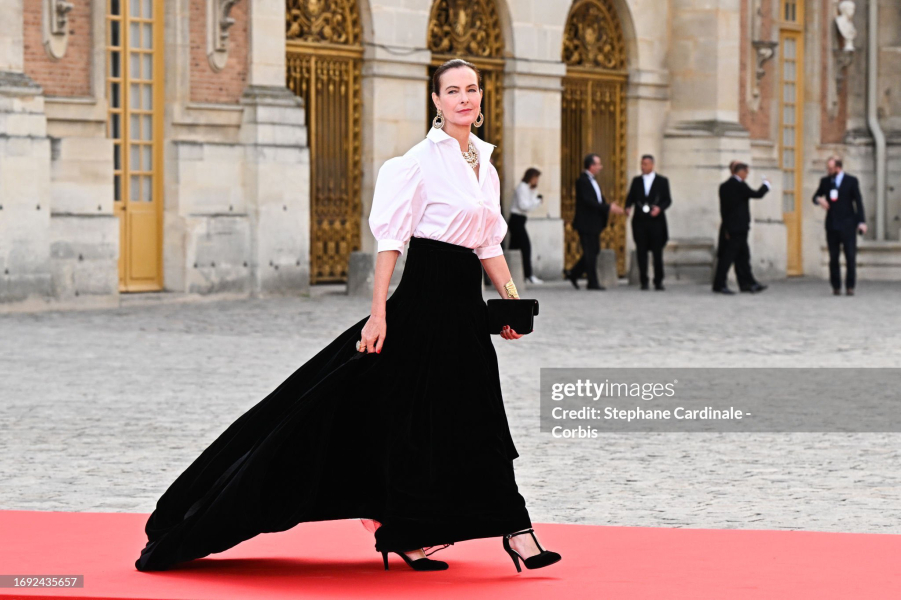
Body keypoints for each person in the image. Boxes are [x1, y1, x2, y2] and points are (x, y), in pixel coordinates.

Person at [133, 58, 561, 575]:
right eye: (453, 91)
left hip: (466, 316)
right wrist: (377, 314)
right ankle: (483, 533)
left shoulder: (486, 167)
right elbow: (391, 244)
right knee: (391, 423)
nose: (464, 98)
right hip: (421, 308)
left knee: (482, 420)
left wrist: (511, 302)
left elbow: (489, 244)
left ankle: (497, 531)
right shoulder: (417, 163)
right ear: (436, 101)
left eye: (471, 89)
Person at [567, 154, 625, 290]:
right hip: (586, 223)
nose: (601, 167)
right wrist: (608, 207)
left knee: (594, 251)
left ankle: (573, 273)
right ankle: (592, 282)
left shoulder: (592, 181)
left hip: (594, 223)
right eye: (598, 164)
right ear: (591, 166)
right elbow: (588, 201)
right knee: (590, 252)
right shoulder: (582, 181)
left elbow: (598, 200)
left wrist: (608, 205)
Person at [712, 162, 771, 294]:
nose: (747, 175)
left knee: (743, 257)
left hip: (730, 227)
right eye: (746, 172)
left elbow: (724, 210)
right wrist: (766, 185)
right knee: (728, 258)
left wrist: (726, 227)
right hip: (738, 228)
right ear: (741, 172)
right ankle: (720, 284)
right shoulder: (739, 185)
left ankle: (748, 283)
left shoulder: (724, 186)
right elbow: (757, 194)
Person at [812, 156, 866, 295]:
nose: (828, 171)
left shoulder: (851, 181)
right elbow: (815, 196)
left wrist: (861, 222)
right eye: (827, 168)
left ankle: (850, 286)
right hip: (832, 225)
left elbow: (858, 202)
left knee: (850, 257)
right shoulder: (825, 181)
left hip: (848, 224)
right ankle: (836, 286)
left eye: (830, 168)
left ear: (838, 168)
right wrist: (819, 200)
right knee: (833, 257)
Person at [625, 154, 672, 291]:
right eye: (641, 164)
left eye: (645, 164)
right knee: (641, 252)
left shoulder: (662, 181)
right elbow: (630, 197)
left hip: (656, 221)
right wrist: (628, 207)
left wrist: (659, 208)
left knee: (657, 253)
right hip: (640, 221)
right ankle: (643, 280)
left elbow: (667, 199)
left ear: (652, 165)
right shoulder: (636, 181)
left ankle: (658, 280)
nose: (642, 167)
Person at [509, 168, 544, 284]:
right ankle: (528, 275)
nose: (536, 181)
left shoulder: (529, 188)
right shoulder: (522, 187)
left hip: (521, 220)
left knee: (513, 248)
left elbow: (530, 206)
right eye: (535, 178)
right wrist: (537, 201)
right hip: (516, 220)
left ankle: (513, 276)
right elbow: (523, 206)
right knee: (526, 247)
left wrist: (535, 199)